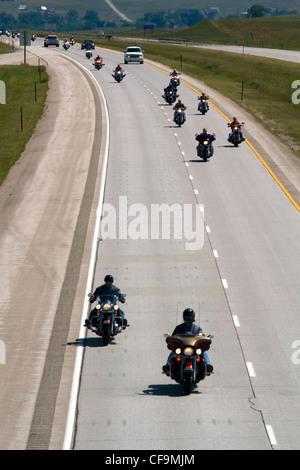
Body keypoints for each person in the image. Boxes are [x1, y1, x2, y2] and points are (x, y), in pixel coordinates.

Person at [162, 308, 213, 375]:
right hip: (183, 348)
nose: (188, 322)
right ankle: (167, 367)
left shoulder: (197, 328)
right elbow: (173, 336)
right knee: (173, 353)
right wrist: (170, 340)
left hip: (193, 348)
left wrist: (206, 339)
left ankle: (208, 366)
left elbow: (202, 336)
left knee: (203, 353)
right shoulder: (179, 328)